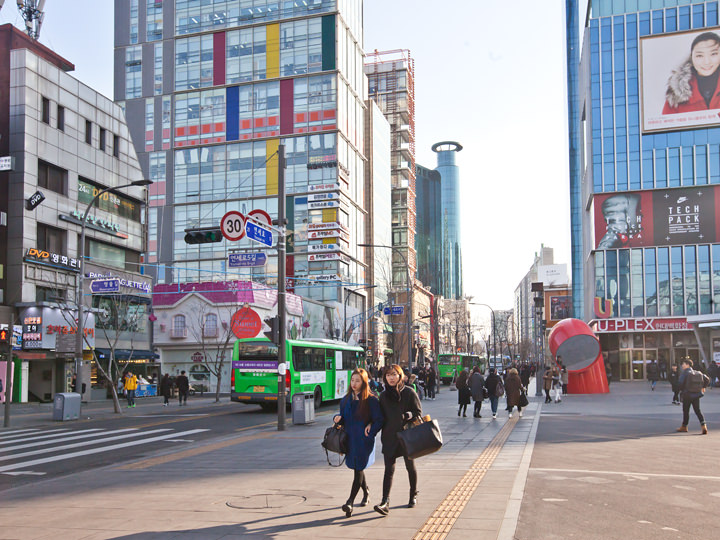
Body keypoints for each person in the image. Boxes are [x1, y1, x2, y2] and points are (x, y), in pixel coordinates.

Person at [333, 368, 384, 518]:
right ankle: (366, 491)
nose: (354, 383)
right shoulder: (346, 399)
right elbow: (343, 417)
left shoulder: (372, 400)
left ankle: (349, 502)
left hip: (363, 440)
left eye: (358, 381)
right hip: (350, 439)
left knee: (358, 469)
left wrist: (370, 428)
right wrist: (337, 418)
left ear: (364, 382)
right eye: (352, 380)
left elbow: (379, 420)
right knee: (357, 468)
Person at [374, 364, 422, 516]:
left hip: (407, 435)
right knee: (389, 469)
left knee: (410, 466)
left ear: (400, 376)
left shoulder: (409, 392)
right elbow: (379, 417)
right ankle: (385, 501)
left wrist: (407, 415)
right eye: (388, 375)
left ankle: (413, 494)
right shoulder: (383, 396)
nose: (391, 378)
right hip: (389, 436)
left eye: (394, 374)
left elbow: (418, 412)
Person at [664, 32, 720, 114]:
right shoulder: (677, 93)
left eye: (713, 54)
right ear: (691, 58)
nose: (707, 62)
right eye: (699, 56)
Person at [676, 358, 709, 435]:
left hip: (687, 394)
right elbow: (707, 379)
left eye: (683, 364)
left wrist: (680, 390)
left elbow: (680, 383)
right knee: (698, 410)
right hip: (696, 394)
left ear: (687, 364)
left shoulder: (685, 373)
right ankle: (704, 426)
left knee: (686, 411)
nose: (682, 366)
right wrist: (703, 387)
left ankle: (684, 426)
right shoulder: (698, 373)